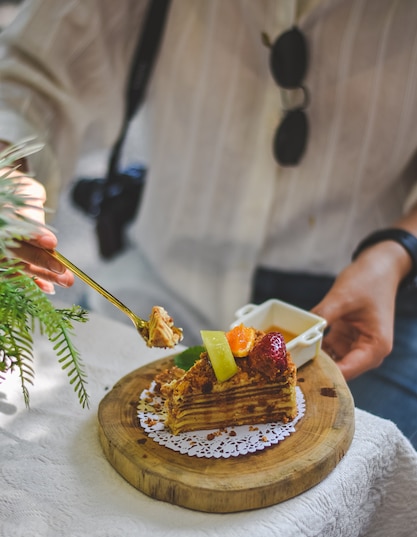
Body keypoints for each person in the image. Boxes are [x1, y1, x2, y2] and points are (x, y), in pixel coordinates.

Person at [0, 0, 416, 445]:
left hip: (364, 306)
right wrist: (8, 175)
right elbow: (27, 73)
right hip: (163, 279)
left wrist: (397, 249)